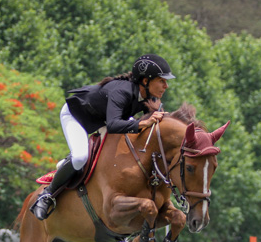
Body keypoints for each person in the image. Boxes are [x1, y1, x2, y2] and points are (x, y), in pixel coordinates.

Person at [30, 54, 176, 220]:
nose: (166, 86)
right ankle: (47, 195)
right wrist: (142, 123)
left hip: (103, 119)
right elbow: (114, 125)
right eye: (162, 81)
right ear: (145, 81)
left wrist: (155, 112)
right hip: (77, 116)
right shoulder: (122, 91)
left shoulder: (149, 97)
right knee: (80, 157)